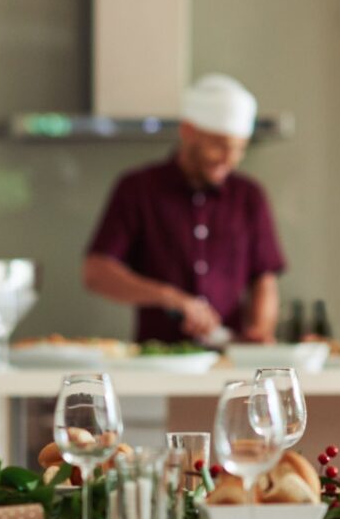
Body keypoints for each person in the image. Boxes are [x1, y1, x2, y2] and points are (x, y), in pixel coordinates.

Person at [84, 74, 285, 344]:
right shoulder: (138, 188)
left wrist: (260, 330)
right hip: (157, 359)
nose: (229, 159)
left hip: (230, 359)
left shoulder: (249, 196)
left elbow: (264, 278)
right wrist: (169, 297)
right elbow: (97, 272)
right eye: (219, 146)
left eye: (238, 149)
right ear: (188, 132)